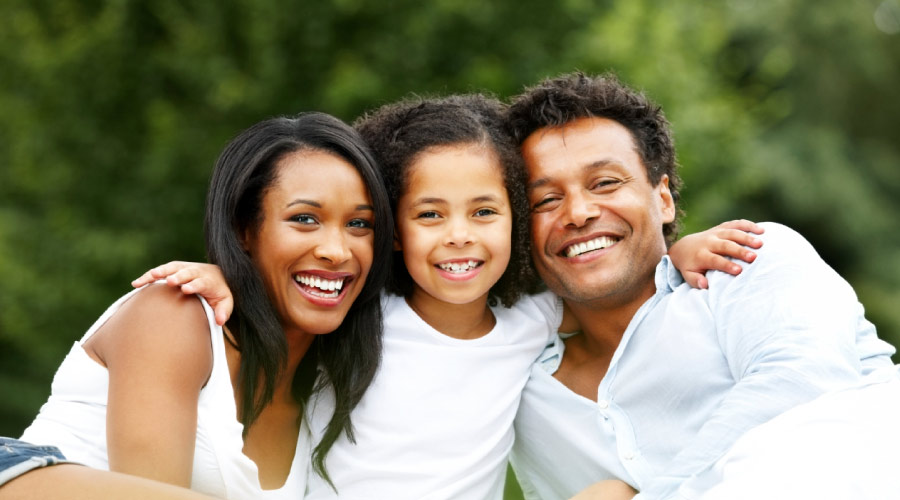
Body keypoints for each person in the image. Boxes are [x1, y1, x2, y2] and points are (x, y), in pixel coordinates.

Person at [135, 94, 764, 499]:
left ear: (515, 219)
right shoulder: (356, 318)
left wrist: (677, 249)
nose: (459, 237)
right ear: (393, 228)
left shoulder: (532, 320)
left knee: (614, 494)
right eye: (429, 215)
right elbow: (288, 297)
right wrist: (227, 279)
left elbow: (608, 280)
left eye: (484, 211)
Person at [504, 72, 900, 500]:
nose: (578, 212)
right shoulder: (514, 378)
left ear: (663, 199)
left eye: (605, 183)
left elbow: (801, 387)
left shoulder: (745, 259)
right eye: (545, 200)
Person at [0, 112, 393, 500]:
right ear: (244, 229)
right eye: (304, 219)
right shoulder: (173, 312)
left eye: (360, 225)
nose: (336, 251)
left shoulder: (334, 389)